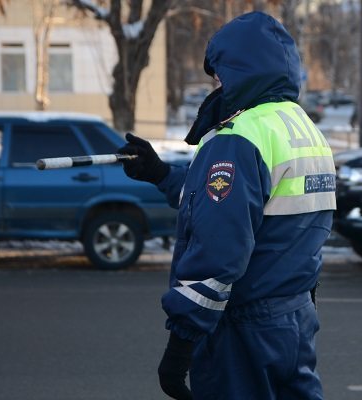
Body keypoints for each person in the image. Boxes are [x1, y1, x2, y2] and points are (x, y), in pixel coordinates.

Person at [118, 11, 336, 400]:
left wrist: (181, 345)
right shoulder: (302, 127)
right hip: (295, 317)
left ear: (242, 69)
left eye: (219, 71)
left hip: (243, 329)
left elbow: (220, 250)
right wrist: (161, 174)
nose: (216, 81)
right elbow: (253, 209)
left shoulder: (240, 136)